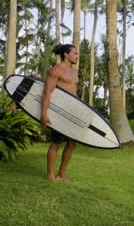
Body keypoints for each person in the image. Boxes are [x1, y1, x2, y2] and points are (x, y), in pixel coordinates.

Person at [41, 44, 79, 182]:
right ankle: (51, 175)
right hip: (59, 111)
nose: (77, 56)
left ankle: (62, 172)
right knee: (57, 142)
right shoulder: (55, 70)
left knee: (73, 142)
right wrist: (44, 114)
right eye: (74, 53)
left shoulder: (74, 72)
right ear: (66, 54)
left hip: (72, 110)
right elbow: (47, 92)